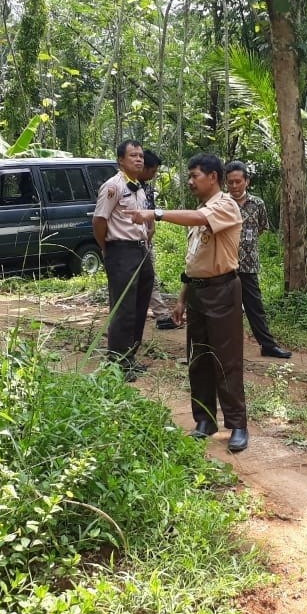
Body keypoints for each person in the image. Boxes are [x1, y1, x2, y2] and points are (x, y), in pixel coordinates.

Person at [129, 154, 250, 452]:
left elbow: (199, 220)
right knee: (199, 359)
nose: (191, 181)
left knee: (226, 361)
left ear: (212, 177)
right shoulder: (200, 211)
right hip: (197, 292)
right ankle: (204, 420)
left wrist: (155, 214)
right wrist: (182, 299)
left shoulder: (224, 206)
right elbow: (193, 261)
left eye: (195, 175)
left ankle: (237, 424)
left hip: (222, 291)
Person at [93, 140, 154, 380]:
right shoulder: (113, 186)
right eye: (133, 156)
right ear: (120, 160)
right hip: (121, 251)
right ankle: (116, 362)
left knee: (140, 306)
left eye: (140, 156)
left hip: (141, 251)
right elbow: (99, 221)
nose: (138, 160)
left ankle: (130, 356)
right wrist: (107, 248)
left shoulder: (139, 186)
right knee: (123, 308)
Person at [224, 160, 291, 359]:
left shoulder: (257, 204)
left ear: (247, 181)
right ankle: (224, 347)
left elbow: (262, 227)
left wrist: (246, 245)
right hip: (225, 264)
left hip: (249, 264)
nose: (234, 186)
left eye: (238, 181)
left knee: (255, 307)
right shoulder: (222, 204)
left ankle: (267, 346)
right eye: (230, 182)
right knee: (225, 308)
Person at [141, 150, 181, 330]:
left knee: (150, 277)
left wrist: (150, 233)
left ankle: (161, 315)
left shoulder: (147, 188)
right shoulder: (125, 186)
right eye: (153, 170)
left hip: (145, 240)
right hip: (130, 243)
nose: (154, 175)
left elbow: (150, 216)